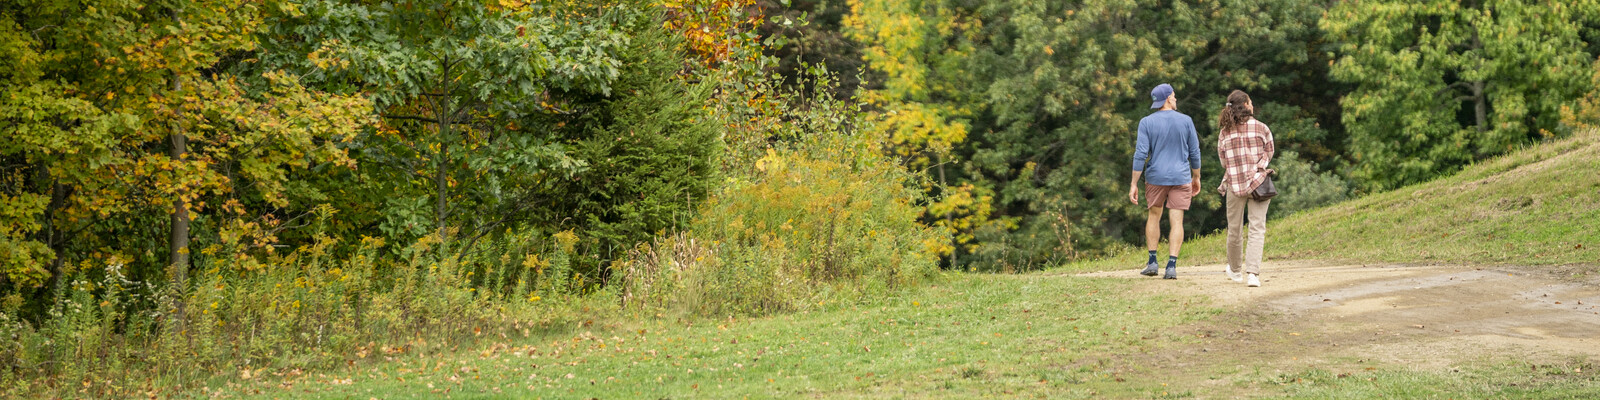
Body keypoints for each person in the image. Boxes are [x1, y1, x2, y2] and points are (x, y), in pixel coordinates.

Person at [1130, 83, 1202, 279]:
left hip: (1156, 177)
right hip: (1181, 176)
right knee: (1176, 219)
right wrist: (1196, 176)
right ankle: (1171, 266)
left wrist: (1134, 183)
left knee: (1154, 216)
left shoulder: (1146, 122)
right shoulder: (1186, 121)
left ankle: (1152, 262)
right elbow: (1195, 153)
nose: (1176, 99)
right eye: (1175, 96)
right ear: (1169, 98)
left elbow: (1140, 154)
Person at [1215, 90, 1275, 287]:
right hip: (1258, 183)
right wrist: (1259, 166)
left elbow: (1223, 162)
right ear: (1247, 106)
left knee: (1234, 230)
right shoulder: (1261, 127)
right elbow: (1269, 150)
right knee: (1257, 228)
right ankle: (1253, 274)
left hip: (1234, 184)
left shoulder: (1224, 132)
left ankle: (1235, 270)